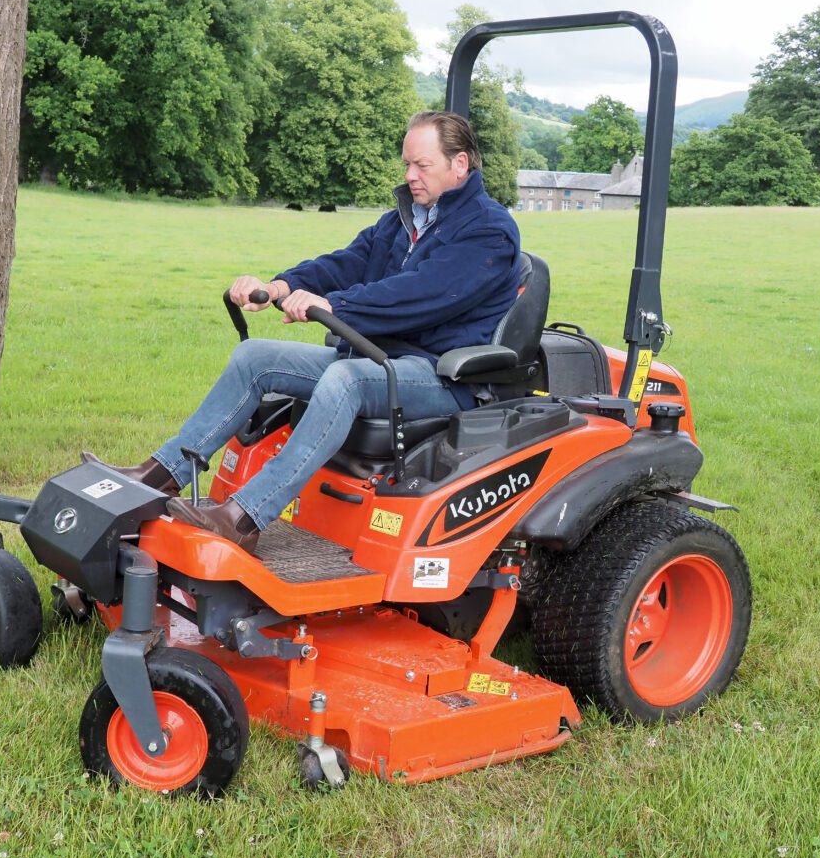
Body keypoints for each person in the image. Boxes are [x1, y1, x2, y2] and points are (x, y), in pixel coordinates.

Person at [85, 111, 520, 553]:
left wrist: (335, 306)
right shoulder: (403, 220)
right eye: (406, 164)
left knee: (343, 380)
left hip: (441, 375)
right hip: (378, 359)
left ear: (459, 164)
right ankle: (160, 476)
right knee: (255, 357)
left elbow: (425, 293)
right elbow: (345, 262)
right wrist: (282, 285)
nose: (409, 176)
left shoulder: (489, 231)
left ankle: (244, 517)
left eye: (421, 165)